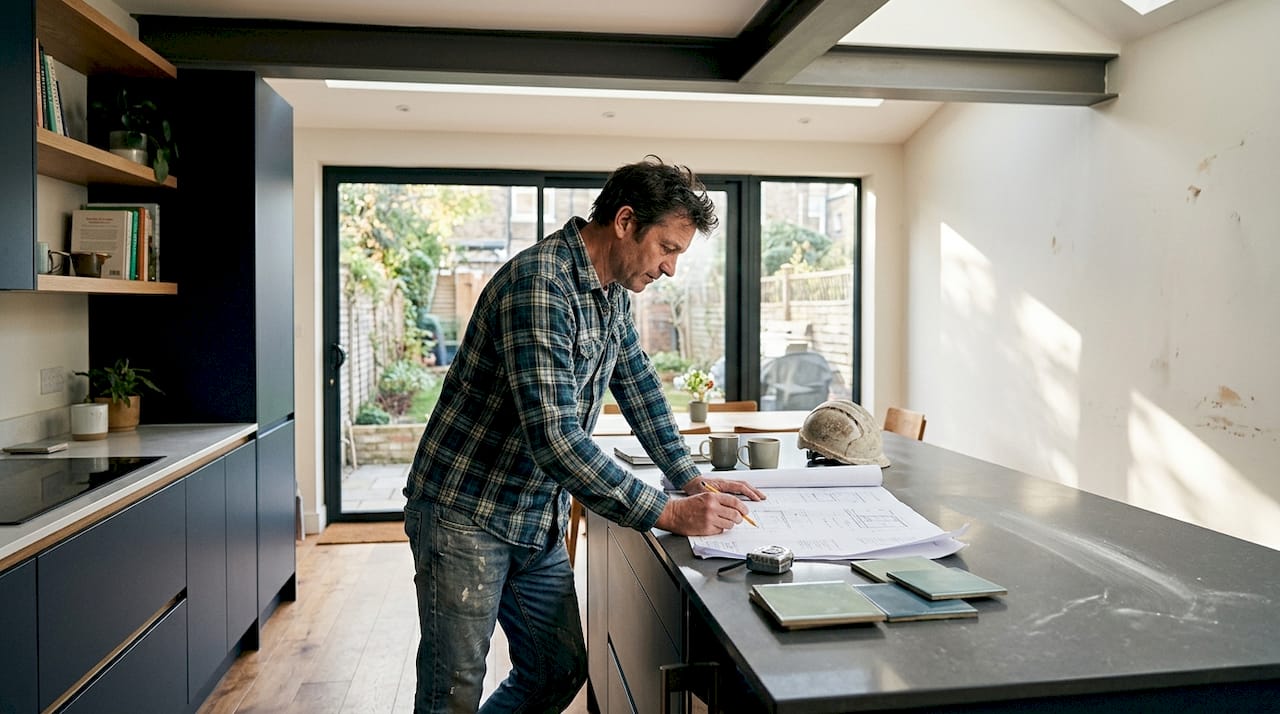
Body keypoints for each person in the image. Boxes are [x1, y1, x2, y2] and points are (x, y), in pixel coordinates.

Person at [403, 155, 765, 713]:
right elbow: (556, 438)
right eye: (667, 248)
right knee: (451, 695)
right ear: (625, 222)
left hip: (531, 512)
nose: (670, 268)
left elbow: (639, 386)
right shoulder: (540, 285)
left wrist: (690, 480)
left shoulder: (611, 292)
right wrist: (667, 512)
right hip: (463, 513)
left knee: (559, 670)